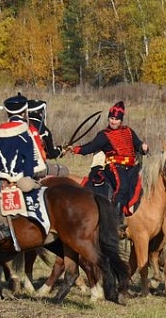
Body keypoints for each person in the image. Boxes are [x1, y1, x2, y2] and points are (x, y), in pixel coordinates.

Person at [66, 101, 149, 236]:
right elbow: (90, 147)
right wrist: (74, 149)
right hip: (114, 166)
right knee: (122, 187)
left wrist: (143, 148)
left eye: (116, 119)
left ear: (121, 120)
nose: (113, 121)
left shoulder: (129, 131)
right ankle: (115, 222)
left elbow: (138, 144)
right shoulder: (104, 135)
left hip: (132, 166)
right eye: (111, 118)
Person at [0, 94, 38, 247]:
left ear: (7, 113)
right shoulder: (27, 135)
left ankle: (2, 227)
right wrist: (25, 179)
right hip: (23, 177)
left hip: (2, 178)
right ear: (25, 112)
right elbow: (31, 163)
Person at [27, 99, 68, 178]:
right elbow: (51, 153)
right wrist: (59, 150)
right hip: (34, 168)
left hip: (17, 167)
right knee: (64, 171)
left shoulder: (20, 125)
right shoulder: (43, 130)